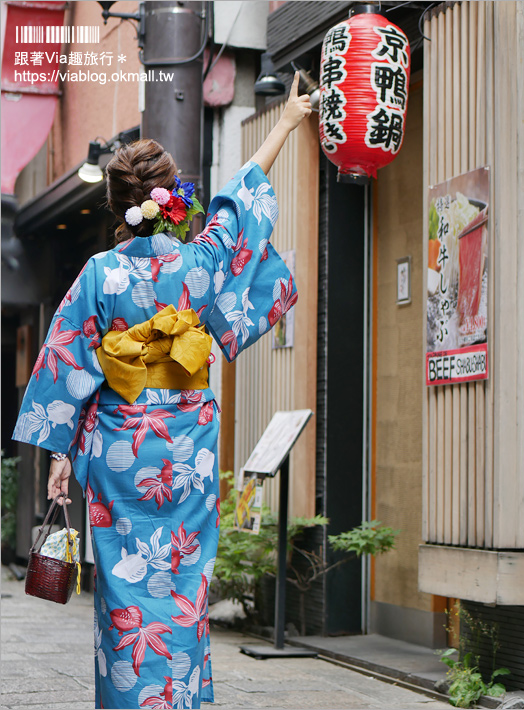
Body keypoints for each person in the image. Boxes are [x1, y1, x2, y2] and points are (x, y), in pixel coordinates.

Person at [13, 72, 312, 710]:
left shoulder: (101, 272)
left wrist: (61, 454)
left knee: (123, 591)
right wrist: (284, 123)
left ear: (120, 205)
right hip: (188, 450)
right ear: (172, 199)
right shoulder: (201, 263)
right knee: (185, 588)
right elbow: (240, 205)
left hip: (121, 450)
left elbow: (67, 361)